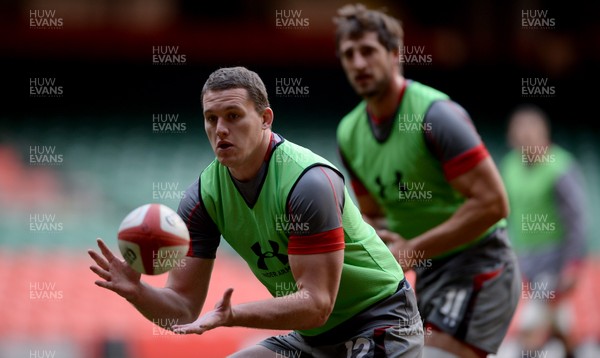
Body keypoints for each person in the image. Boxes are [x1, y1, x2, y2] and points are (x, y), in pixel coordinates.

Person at [88, 66, 424, 357]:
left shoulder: (309, 183)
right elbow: (182, 308)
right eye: (211, 118)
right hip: (315, 339)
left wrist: (233, 314)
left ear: (265, 119)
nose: (220, 129)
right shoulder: (202, 198)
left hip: (381, 321)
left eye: (233, 116)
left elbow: (317, 305)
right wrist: (138, 292)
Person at [333, 4, 521, 358]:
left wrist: (411, 250)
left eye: (368, 51)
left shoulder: (437, 115)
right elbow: (375, 216)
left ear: (395, 54)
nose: (358, 63)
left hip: (479, 265)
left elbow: (494, 204)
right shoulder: (349, 132)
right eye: (349, 54)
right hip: (427, 273)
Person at [498, 104, 588, 357]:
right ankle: (577, 350)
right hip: (524, 259)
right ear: (511, 137)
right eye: (520, 133)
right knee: (558, 322)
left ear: (545, 134)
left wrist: (572, 264)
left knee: (532, 325)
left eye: (531, 132)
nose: (525, 138)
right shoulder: (509, 167)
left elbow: (577, 220)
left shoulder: (560, 167)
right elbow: (504, 214)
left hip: (555, 260)